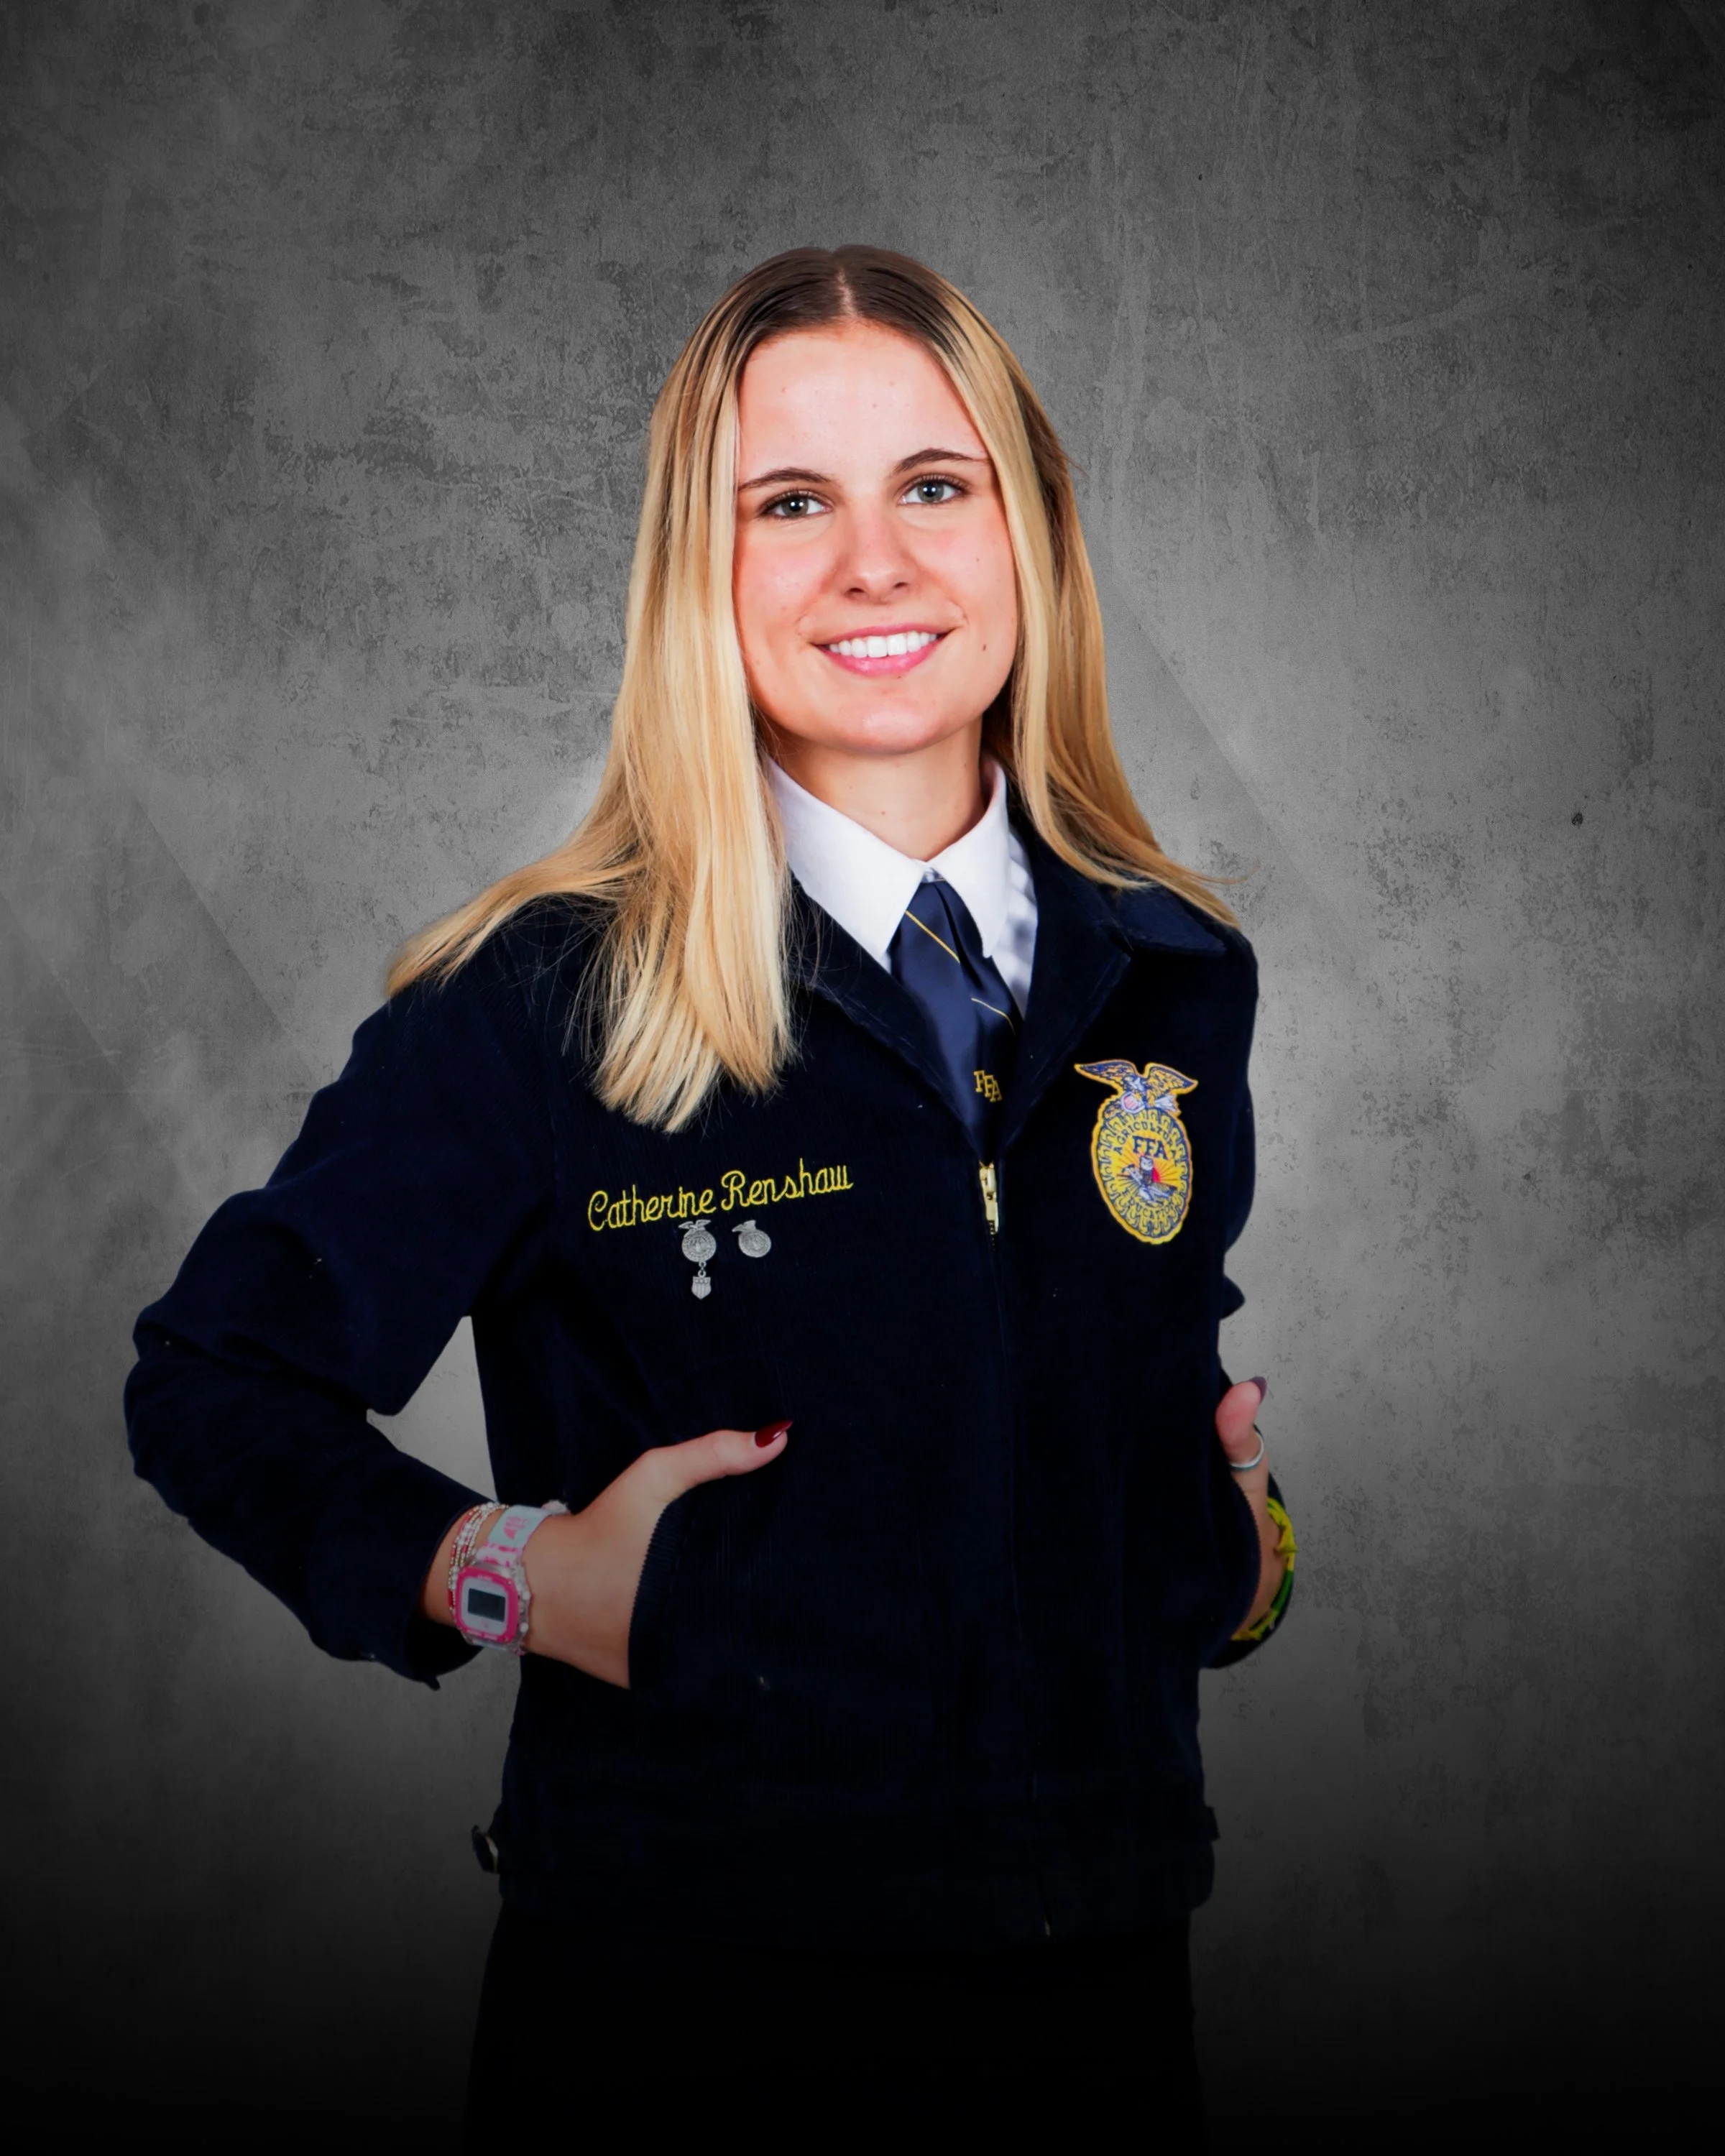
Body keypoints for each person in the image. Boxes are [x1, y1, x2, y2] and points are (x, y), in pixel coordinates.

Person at [126, 246, 1296, 2144]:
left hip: (1102, 1979)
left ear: (1031, 531)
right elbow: (210, 1381)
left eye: (934, 484)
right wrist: (499, 1572)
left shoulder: (1174, 977)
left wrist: (1236, 1553)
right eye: (790, 504)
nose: (875, 563)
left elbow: (1129, 1390)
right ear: (703, 568)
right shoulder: (542, 1002)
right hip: (683, 2007)